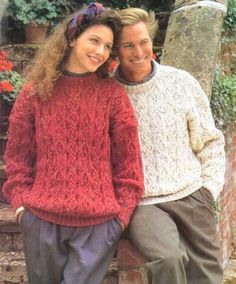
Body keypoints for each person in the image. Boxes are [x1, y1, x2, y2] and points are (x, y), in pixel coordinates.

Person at [2, 3, 144, 284]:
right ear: (71, 38)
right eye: (94, 41)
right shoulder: (35, 93)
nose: (101, 52)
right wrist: (21, 206)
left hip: (98, 226)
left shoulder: (113, 97)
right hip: (41, 222)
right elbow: (17, 158)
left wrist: (119, 218)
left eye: (107, 46)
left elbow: (129, 165)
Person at [115, 7, 226, 284]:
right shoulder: (108, 93)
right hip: (144, 202)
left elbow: (211, 141)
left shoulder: (180, 82)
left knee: (207, 274)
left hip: (191, 193)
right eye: (129, 45)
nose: (139, 51)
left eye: (144, 42)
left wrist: (208, 188)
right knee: (168, 259)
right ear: (115, 49)